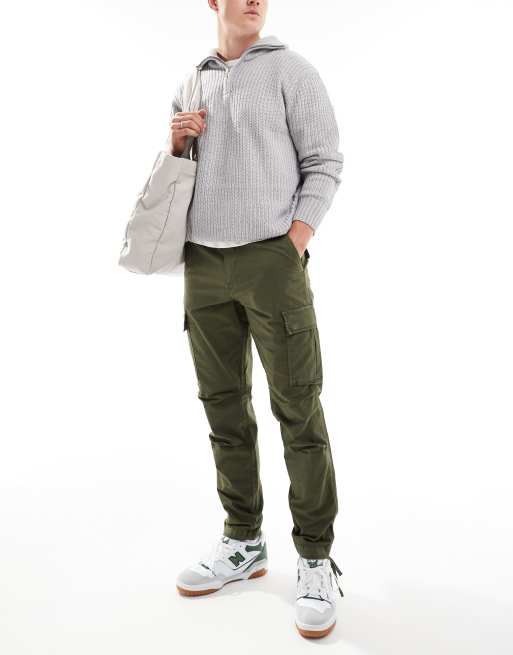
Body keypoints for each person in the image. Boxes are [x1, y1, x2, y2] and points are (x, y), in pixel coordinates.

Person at [169, 0, 344, 639]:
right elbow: (181, 179)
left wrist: (292, 244)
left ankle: (315, 558)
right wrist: (177, 143)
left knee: (298, 407)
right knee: (223, 407)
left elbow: (325, 162)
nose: (254, 0)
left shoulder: (292, 71)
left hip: (272, 260)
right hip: (203, 264)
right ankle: (243, 540)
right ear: (212, 3)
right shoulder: (192, 80)